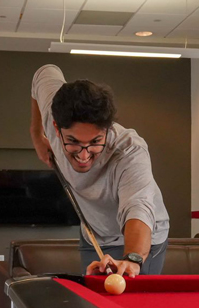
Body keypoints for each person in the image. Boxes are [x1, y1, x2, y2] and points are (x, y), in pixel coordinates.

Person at [30, 64, 169, 277]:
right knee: (93, 302)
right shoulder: (52, 115)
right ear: (56, 128)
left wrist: (132, 258)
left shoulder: (130, 152)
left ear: (108, 128)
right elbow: (44, 72)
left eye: (95, 141)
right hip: (93, 233)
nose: (84, 156)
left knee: (129, 304)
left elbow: (137, 207)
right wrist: (37, 135)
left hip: (140, 240)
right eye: (73, 142)